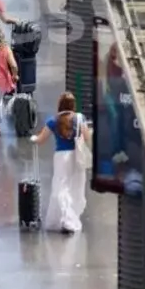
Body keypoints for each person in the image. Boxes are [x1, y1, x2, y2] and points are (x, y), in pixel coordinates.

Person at [31, 91, 93, 234]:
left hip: (61, 157)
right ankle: (71, 219)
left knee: (60, 187)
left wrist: (33, 138)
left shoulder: (53, 120)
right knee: (76, 187)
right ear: (73, 105)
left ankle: (65, 218)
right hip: (77, 157)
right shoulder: (79, 118)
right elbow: (87, 137)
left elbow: (40, 139)